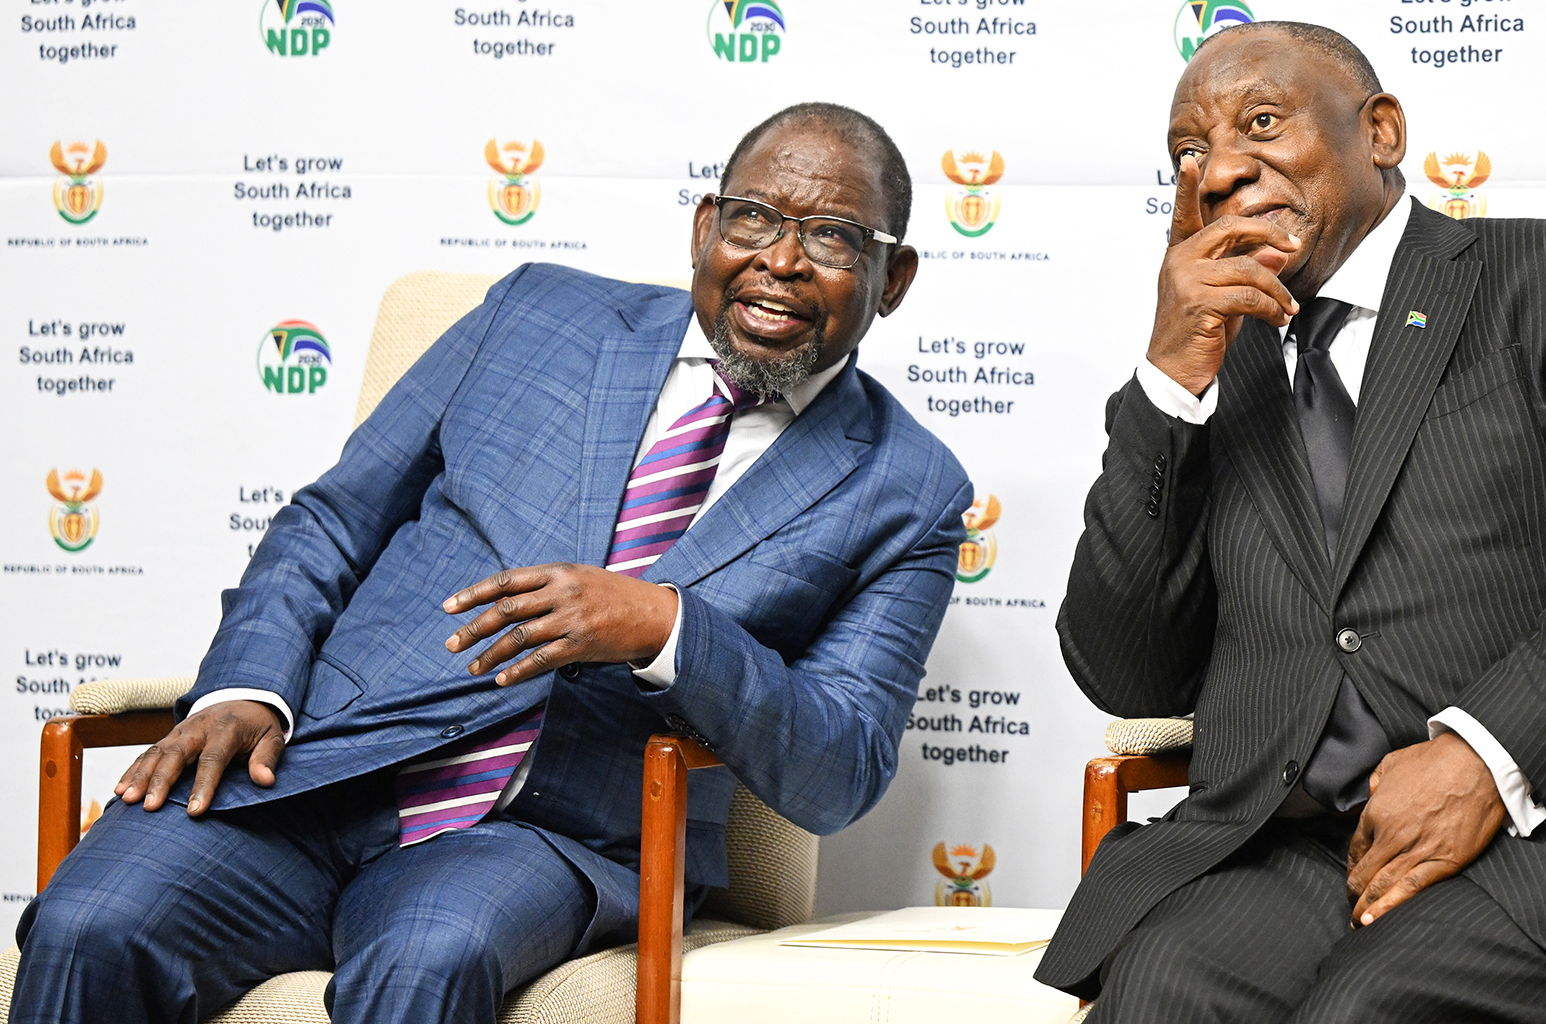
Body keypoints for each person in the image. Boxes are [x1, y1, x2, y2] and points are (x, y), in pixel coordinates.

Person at [11, 102, 971, 1024]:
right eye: (754, 219)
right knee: (91, 922)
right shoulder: (536, 316)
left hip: (552, 834)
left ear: (893, 279)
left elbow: (840, 764)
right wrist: (248, 689)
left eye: (835, 238)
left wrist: (667, 628)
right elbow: (331, 522)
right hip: (316, 767)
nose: (781, 261)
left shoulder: (906, 486)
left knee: (428, 955)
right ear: (704, 228)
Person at [1035, 23, 1546, 1023]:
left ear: (1379, 131)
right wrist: (1168, 385)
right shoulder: (1215, 370)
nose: (1216, 172)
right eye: (1187, 152)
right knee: (1161, 988)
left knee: (1370, 1006)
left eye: (1260, 122)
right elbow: (1126, 671)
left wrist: (1483, 751)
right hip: (1301, 856)